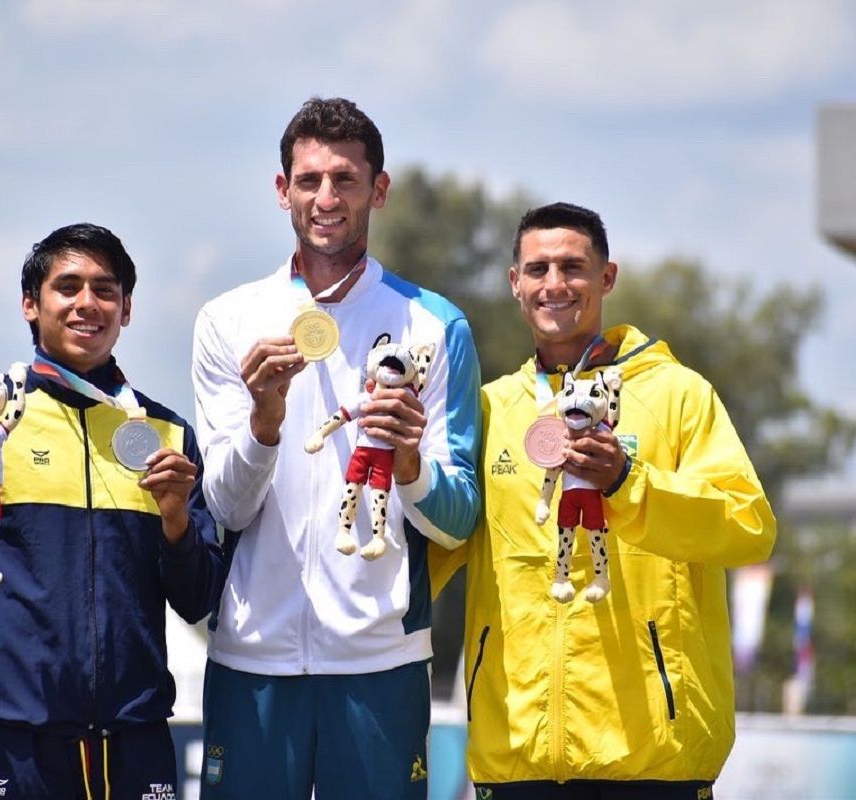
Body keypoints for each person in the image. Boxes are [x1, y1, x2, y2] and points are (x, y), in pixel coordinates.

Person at [430, 202, 777, 799]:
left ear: (606, 278)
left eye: (573, 267)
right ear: (514, 283)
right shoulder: (488, 410)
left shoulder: (678, 395)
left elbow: (749, 528)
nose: (554, 285)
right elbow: (431, 554)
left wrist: (628, 482)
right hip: (517, 758)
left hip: (654, 759)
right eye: (537, 270)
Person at [191, 96, 482, 798]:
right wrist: (265, 421)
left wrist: (409, 463)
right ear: (282, 189)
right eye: (310, 179)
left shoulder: (435, 326)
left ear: (377, 190)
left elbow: (459, 517)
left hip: (382, 663)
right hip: (251, 659)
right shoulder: (227, 320)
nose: (327, 198)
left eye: (346, 180)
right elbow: (225, 508)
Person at [0, 222, 226, 799]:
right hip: (6, 736)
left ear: (126, 310)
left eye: (105, 289)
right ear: (29, 304)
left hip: (132, 739)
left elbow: (199, 600)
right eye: (67, 286)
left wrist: (175, 524)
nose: (87, 303)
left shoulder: (164, 432)